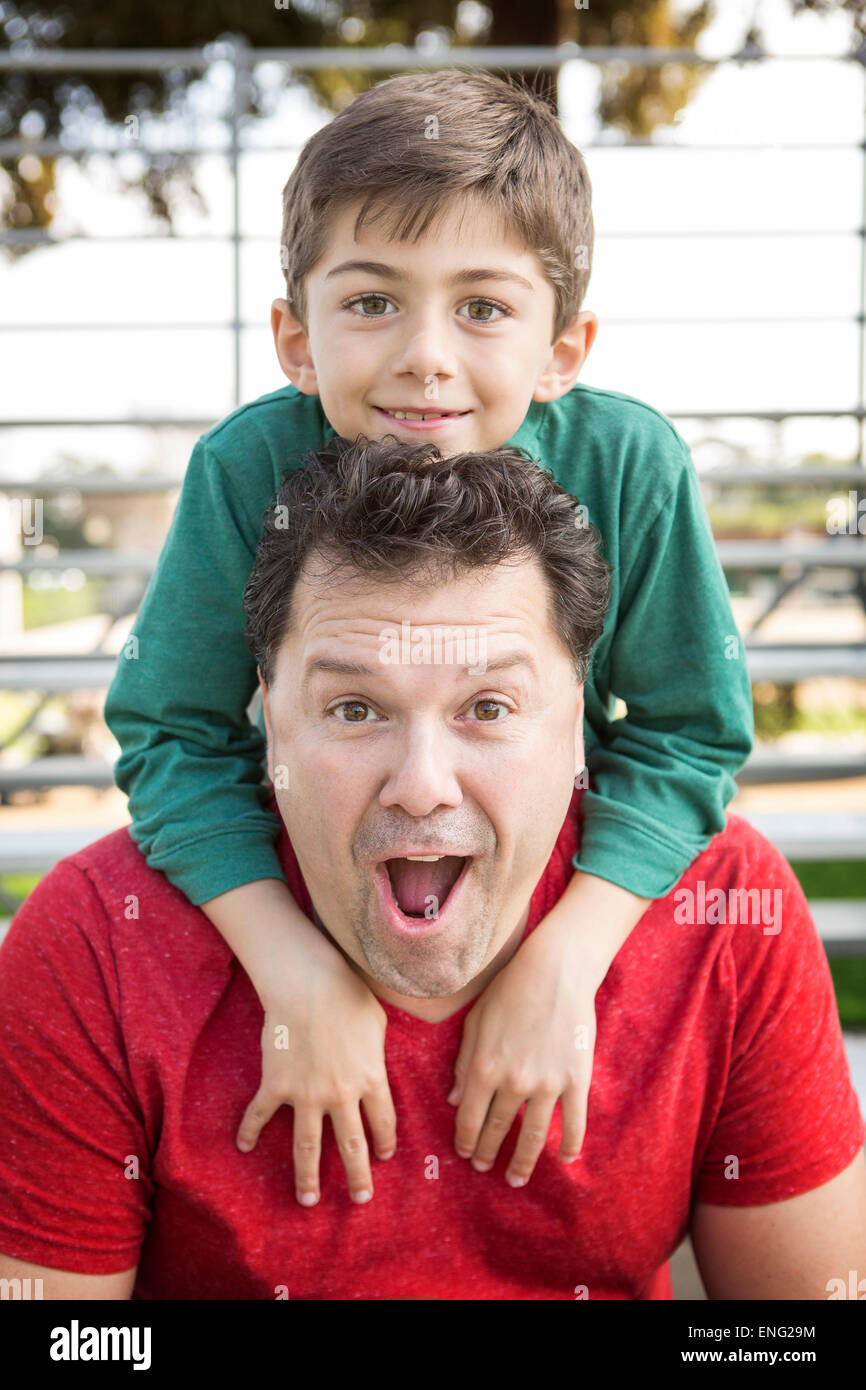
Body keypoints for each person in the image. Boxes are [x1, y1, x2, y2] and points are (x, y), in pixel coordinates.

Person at [103, 68, 755, 1209]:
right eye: (369, 303)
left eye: (483, 307)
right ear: (295, 338)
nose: (423, 355)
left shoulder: (629, 468)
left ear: (564, 345)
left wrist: (563, 961)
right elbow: (169, 731)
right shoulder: (244, 471)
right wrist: (293, 971)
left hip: (529, 879)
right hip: (326, 871)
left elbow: (685, 731)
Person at [0, 439, 862, 1301]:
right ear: (266, 713)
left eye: (488, 707)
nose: (421, 786)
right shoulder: (95, 944)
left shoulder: (726, 913)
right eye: (354, 707)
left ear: (575, 719)